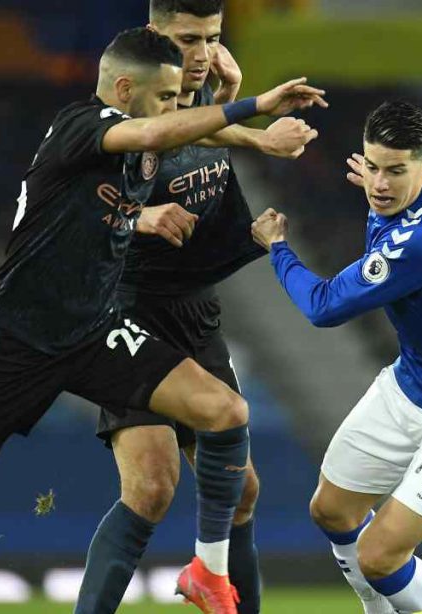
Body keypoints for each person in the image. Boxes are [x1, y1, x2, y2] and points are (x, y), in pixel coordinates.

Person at [0, 26, 326, 614]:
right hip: (15, 340)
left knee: (225, 410)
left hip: (95, 331)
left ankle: (208, 570)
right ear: (124, 89)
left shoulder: (145, 145)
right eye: (167, 97)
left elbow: (188, 140)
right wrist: (255, 106)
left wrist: (248, 131)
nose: (176, 107)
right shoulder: (81, 126)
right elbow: (158, 130)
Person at [78, 2, 320, 613]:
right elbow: (76, 209)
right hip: (129, 316)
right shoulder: (124, 111)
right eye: (188, 38)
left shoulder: (199, 100)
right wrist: (250, 120)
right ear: (154, 35)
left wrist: (240, 118)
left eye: (212, 37)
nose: (203, 52)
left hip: (195, 313)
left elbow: (197, 141)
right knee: (153, 486)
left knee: (241, 491)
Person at [250, 100, 422, 614]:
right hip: (410, 385)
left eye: (396, 170)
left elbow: (324, 307)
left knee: (378, 557)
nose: (379, 184)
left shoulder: (417, 244)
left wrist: (278, 247)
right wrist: (405, 174)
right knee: (332, 510)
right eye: (372, 166)